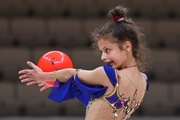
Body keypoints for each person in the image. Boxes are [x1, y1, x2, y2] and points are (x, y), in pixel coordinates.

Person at [18, 5, 150, 120]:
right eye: (102, 51)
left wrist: (43, 76)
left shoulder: (109, 75)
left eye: (107, 50)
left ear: (127, 46)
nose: (103, 57)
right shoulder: (144, 81)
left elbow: (73, 73)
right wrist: (60, 81)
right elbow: (98, 93)